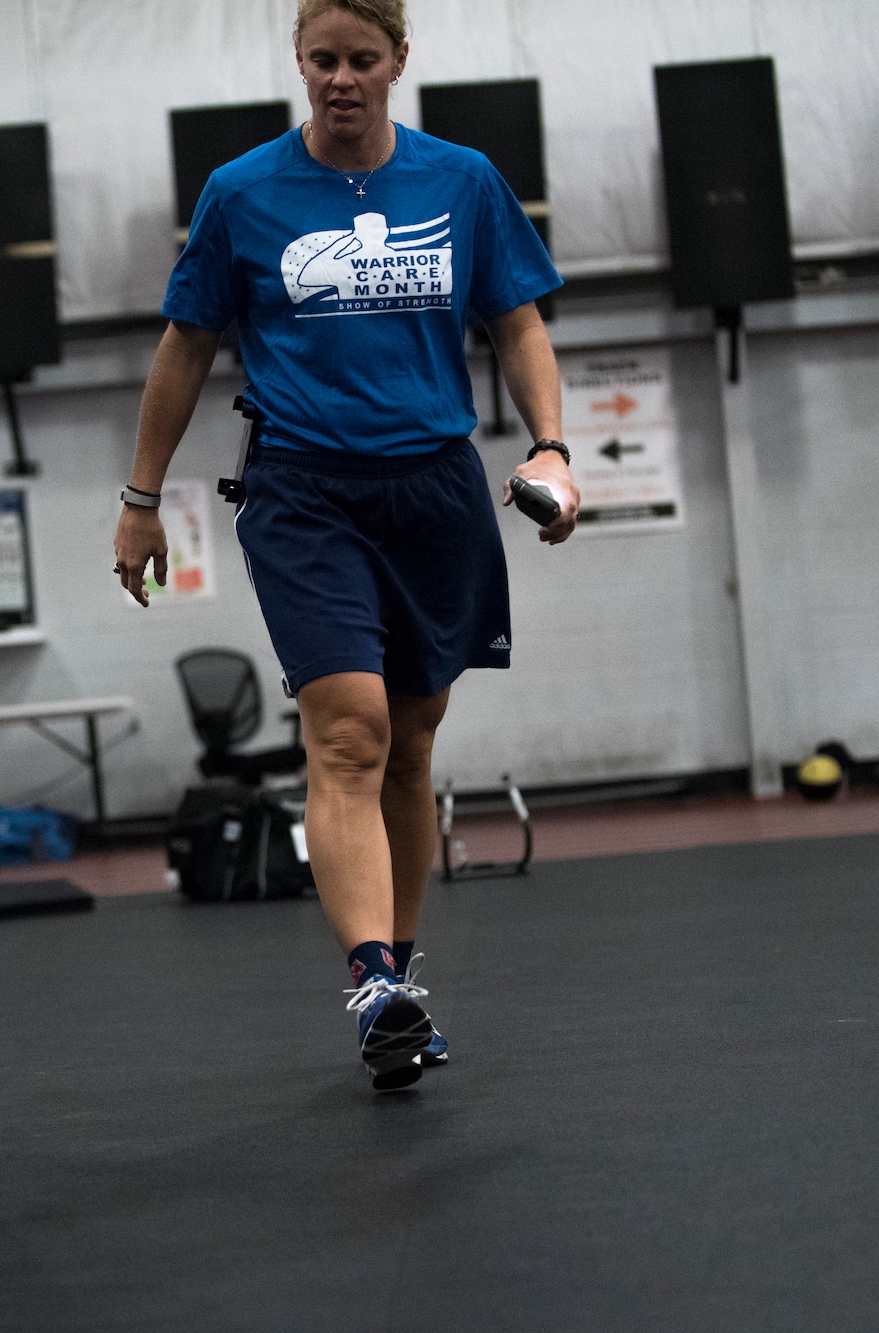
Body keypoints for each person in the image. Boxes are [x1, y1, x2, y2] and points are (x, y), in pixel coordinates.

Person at [112, 0, 576, 1092]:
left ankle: (397, 985)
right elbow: (185, 347)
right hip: (302, 493)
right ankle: (369, 979)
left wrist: (552, 446)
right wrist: (140, 497)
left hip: (432, 490)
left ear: (397, 61)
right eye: (319, 59)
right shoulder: (241, 192)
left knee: (410, 742)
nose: (339, 79)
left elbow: (516, 323)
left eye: (360, 59)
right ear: (298, 62)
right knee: (350, 730)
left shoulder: (459, 181)